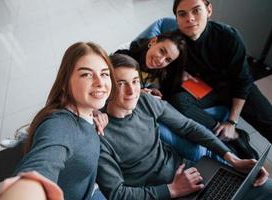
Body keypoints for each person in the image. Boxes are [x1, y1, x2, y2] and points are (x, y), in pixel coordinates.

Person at [96, 54, 272, 200]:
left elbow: (189, 127)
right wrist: (172, 190)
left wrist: (232, 158)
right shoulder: (99, 133)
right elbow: (117, 194)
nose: (132, 91)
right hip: (156, 193)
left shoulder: (145, 102)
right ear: (107, 87)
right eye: (121, 83)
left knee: (266, 187)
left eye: (135, 81)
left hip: (189, 172)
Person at [0, 42, 114, 200]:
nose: (100, 82)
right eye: (86, 74)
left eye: (105, 74)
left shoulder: (86, 111)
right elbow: (41, 168)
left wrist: (94, 114)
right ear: (65, 84)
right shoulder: (60, 126)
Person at [168, 0, 272, 144]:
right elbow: (144, 48)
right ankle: (234, 138)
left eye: (196, 10)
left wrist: (232, 122)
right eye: (182, 14)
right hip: (205, 89)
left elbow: (243, 81)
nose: (190, 18)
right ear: (177, 19)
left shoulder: (228, 35)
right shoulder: (174, 41)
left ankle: (232, 130)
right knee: (178, 100)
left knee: (269, 121)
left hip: (235, 87)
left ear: (208, 10)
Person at [116, 31, 186, 99]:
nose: (160, 61)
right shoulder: (125, 52)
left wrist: (152, 90)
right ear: (153, 41)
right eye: (161, 51)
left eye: (167, 60)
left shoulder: (163, 71)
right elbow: (111, 82)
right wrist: (137, 92)